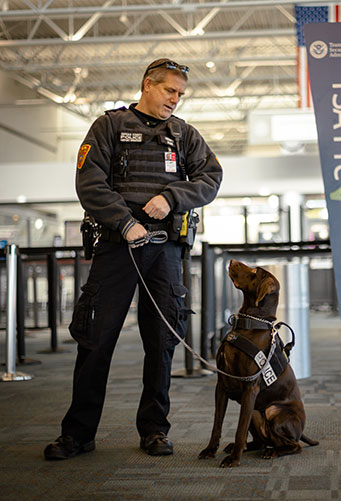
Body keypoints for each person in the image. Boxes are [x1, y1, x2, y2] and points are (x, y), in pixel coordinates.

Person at [44, 58, 222, 460]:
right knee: (95, 340)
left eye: (180, 94)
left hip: (166, 252)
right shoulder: (108, 126)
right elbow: (89, 183)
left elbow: (210, 178)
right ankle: (78, 434)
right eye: (169, 91)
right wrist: (125, 223)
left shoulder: (184, 135)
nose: (175, 100)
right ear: (147, 85)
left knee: (161, 342)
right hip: (118, 245)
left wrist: (171, 198)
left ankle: (155, 429)